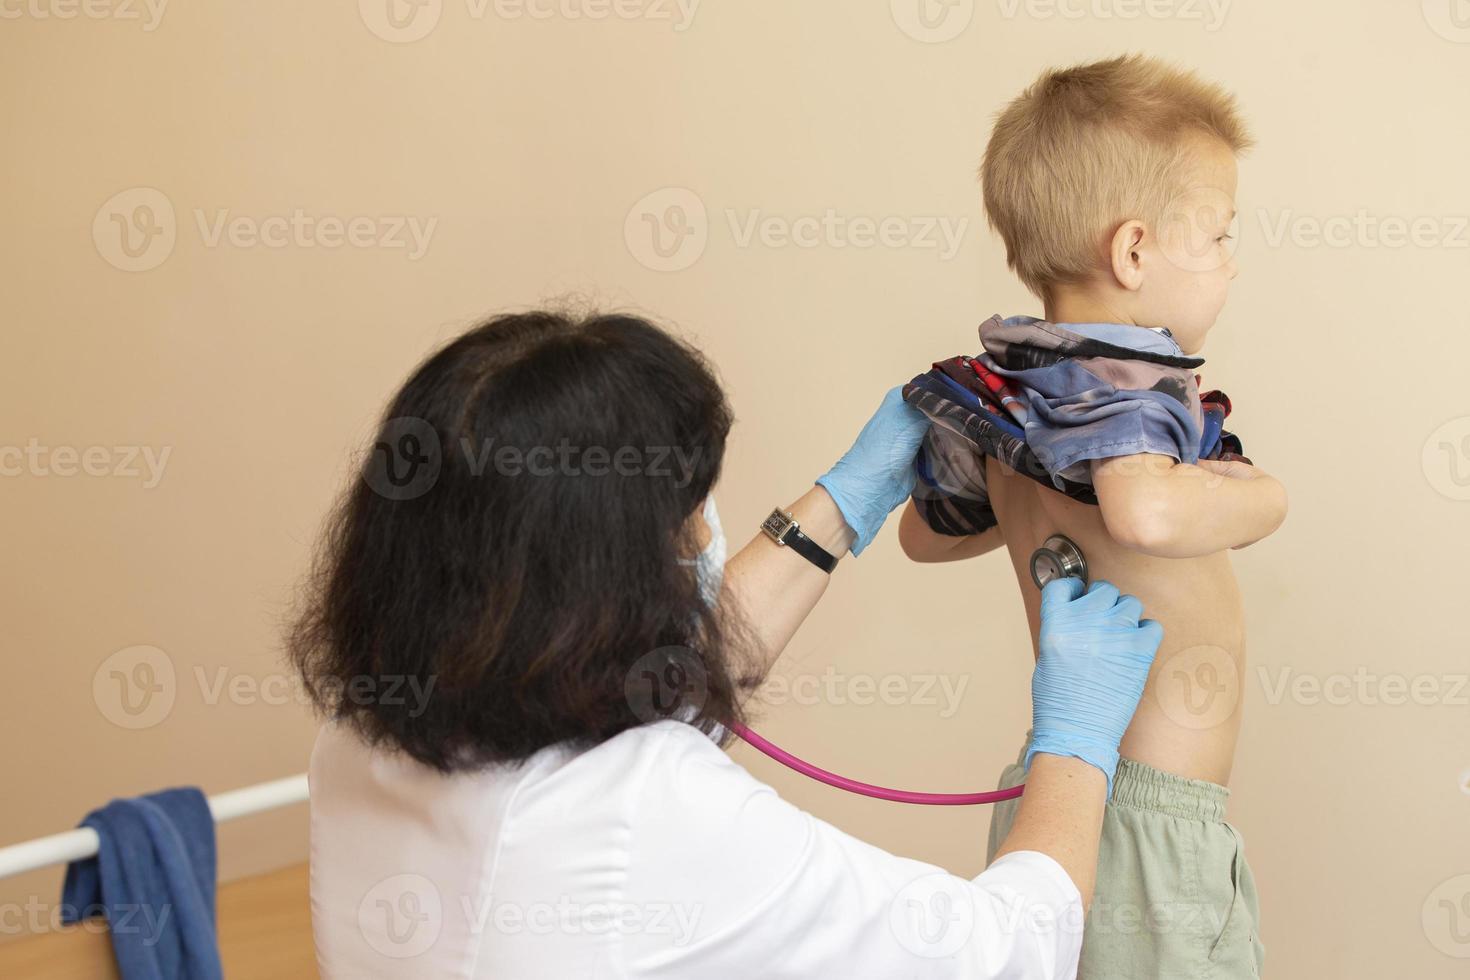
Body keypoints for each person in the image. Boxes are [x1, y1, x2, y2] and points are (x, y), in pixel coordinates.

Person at [292, 308, 1163, 977]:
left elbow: (639, 699)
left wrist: (845, 500)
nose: (705, 537)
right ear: (609, 573)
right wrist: (1076, 741)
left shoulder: (367, 734)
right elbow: (997, 953)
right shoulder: (653, 818)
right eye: (689, 518)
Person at [898, 55, 1287, 977]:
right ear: (1135, 252)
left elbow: (925, 533)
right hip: (1144, 823)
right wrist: (1267, 497)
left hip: (1067, 795)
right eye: (1223, 235)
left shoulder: (1019, 389)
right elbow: (1146, 514)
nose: (1233, 262)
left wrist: (1035, 483)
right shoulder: (1132, 379)